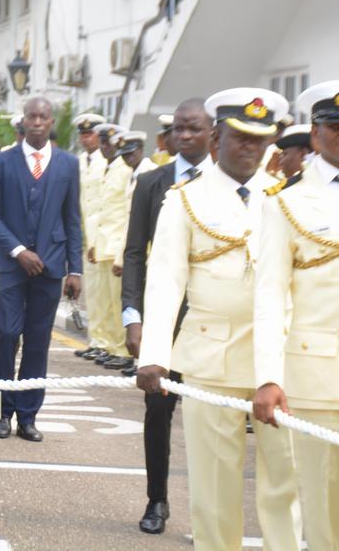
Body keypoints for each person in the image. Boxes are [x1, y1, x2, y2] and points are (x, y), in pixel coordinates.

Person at [137, 88, 300, 551]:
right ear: (216, 141)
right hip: (211, 355)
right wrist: (155, 355)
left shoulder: (284, 197)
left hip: (279, 358)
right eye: (240, 138)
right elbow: (166, 281)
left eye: (260, 140)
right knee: (214, 487)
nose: (251, 148)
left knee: (282, 484)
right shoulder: (185, 200)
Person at [253, 80, 339, 550]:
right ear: (315, 134)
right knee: (324, 508)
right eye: (333, 126)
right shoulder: (285, 202)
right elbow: (270, 294)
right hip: (317, 376)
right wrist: (268, 375)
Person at [121, 99, 212, 535]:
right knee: (158, 414)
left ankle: (210, 509)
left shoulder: (229, 184)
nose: (186, 136)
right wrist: (132, 317)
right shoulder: (152, 183)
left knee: (213, 418)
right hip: (164, 320)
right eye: (179, 129)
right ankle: (157, 499)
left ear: (212, 133)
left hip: (214, 322)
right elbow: (135, 254)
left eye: (194, 128)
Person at [0, 96, 83, 442]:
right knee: (7, 334)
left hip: (51, 266)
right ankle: (2, 411)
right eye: (32, 116)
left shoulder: (68, 165)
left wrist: (76, 270)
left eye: (44, 117)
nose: (38, 122)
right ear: (23, 121)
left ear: (51, 121)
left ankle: (28, 416)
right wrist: (18, 250)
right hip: (11, 266)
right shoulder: (2, 162)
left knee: (38, 342)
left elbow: (72, 219)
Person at [82, 123, 130, 367]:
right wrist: (92, 243)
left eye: (109, 144)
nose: (105, 148)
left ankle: (122, 349)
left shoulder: (125, 169)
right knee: (103, 300)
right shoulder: (104, 169)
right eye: (102, 143)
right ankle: (108, 345)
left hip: (117, 245)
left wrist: (122, 251)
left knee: (117, 301)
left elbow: (126, 213)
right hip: (100, 245)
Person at [72, 113, 109, 359]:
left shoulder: (108, 161)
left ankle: (108, 343)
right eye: (83, 135)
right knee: (93, 293)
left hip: (104, 235)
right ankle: (96, 340)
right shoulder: (77, 162)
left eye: (91, 134)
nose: (87, 139)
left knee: (107, 294)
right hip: (84, 232)